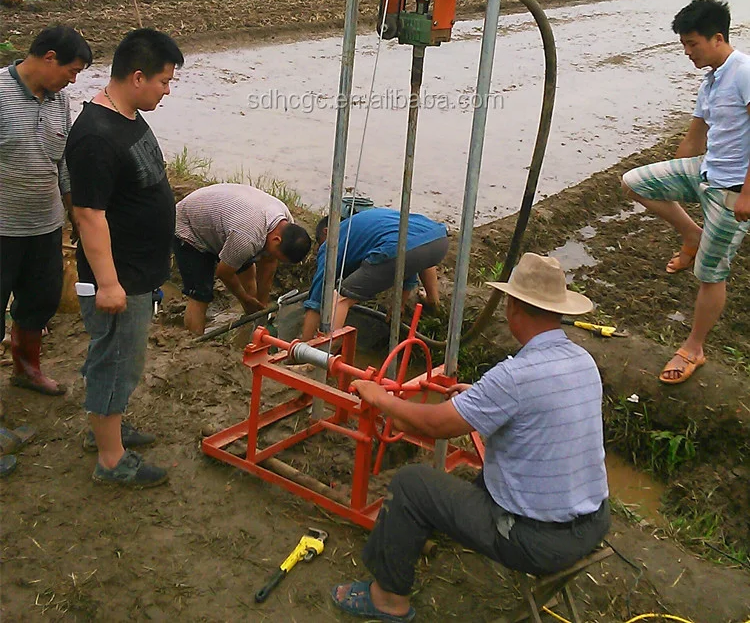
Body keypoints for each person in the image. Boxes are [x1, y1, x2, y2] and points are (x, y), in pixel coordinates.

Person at [330, 253, 610, 623]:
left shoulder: (514, 377)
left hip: (537, 542)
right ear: (558, 312)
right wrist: (480, 399)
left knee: (412, 484)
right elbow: (535, 412)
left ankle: (387, 600)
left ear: (512, 307)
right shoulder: (582, 361)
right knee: (482, 478)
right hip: (593, 523)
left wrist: (381, 399)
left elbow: (434, 426)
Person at [65, 28, 184, 489]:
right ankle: (110, 459)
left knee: (122, 360)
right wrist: (109, 283)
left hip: (137, 270)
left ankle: (108, 427)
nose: (167, 91)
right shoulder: (96, 136)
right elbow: (88, 215)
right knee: (115, 360)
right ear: (137, 77)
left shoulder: (127, 117)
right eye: (164, 81)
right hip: (119, 276)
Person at [622, 0, 750, 385]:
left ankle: (694, 347)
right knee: (635, 182)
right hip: (706, 170)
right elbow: (695, 137)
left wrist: (747, 193)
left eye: (692, 44)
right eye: (684, 44)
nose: (687, 52)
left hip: (732, 187)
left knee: (710, 272)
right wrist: (673, 175)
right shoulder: (711, 79)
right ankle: (692, 234)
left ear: (717, 38)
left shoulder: (744, 72)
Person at [0, 24, 92, 395]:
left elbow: (64, 164)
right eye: (71, 71)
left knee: (40, 301)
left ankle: (26, 369)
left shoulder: (60, 103)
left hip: (44, 227)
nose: (72, 81)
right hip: (2, 228)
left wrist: (75, 215)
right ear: (49, 58)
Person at [174, 183, 312, 335]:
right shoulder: (247, 238)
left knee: (249, 285)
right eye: (278, 256)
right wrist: (244, 299)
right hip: (190, 226)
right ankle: (194, 340)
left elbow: (269, 263)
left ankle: (250, 330)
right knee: (201, 294)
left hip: (225, 223)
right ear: (276, 240)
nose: (275, 258)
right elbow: (224, 272)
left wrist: (261, 307)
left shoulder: (285, 220)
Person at [301, 208, 448, 341]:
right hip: (438, 240)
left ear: (326, 232)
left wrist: (303, 345)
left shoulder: (331, 243)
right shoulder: (365, 225)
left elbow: (317, 298)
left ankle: (325, 354)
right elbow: (408, 258)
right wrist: (399, 304)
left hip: (398, 250)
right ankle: (433, 302)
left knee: (340, 299)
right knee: (416, 248)